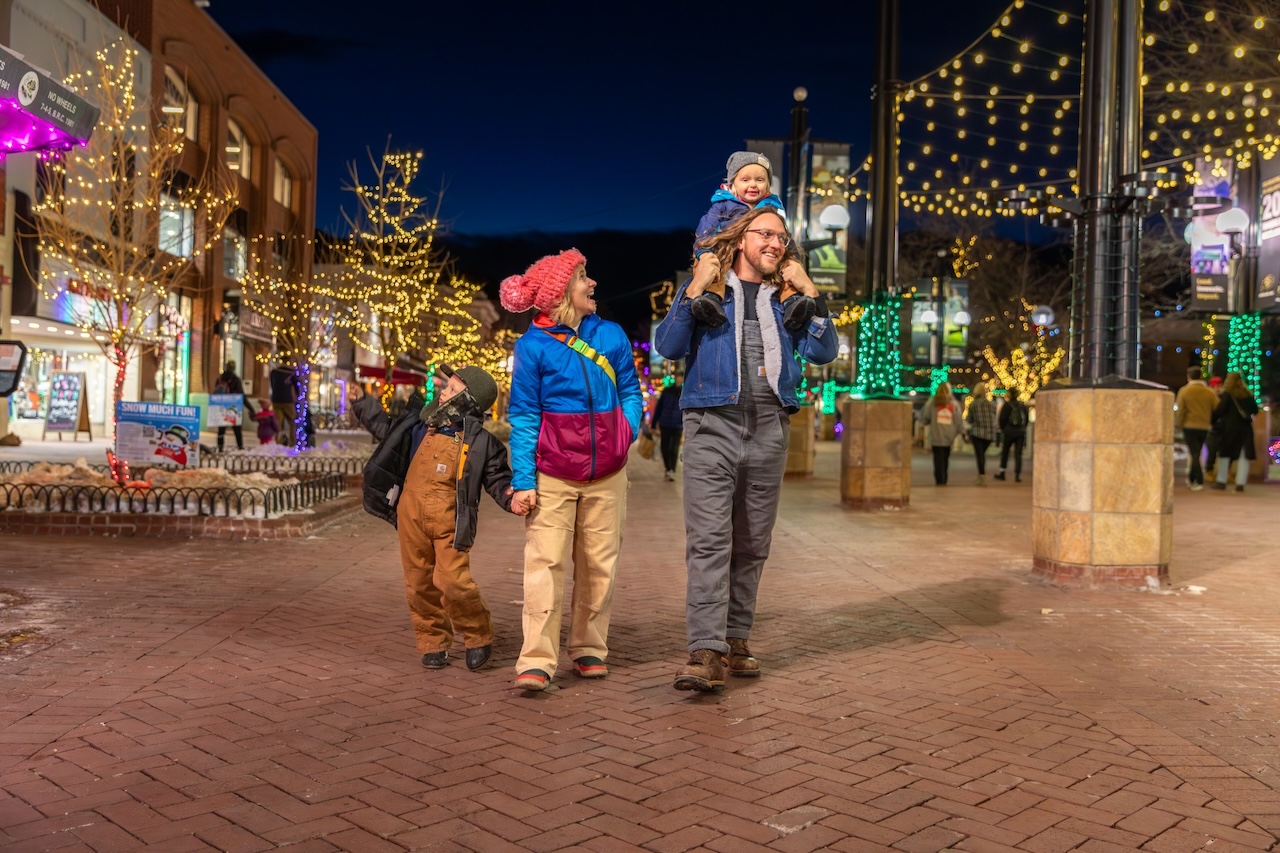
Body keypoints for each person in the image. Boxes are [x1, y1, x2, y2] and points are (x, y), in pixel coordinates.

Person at [653, 206, 838, 692]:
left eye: (782, 238)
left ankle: (735, 639)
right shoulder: (712, 291)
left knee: (753, 543)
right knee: (709, 540)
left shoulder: (788, 299)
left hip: (769, 427)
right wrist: (694, 286)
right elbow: (668, 346)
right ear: (740, 239)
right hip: (711, 423)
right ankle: (705, 650)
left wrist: (812, 291)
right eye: (766, 234)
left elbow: (824, 352)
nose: (776, 243)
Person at [500, 249, 644, 692]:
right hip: (554, 473)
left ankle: (588, 647)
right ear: (561, 292)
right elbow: (524, 416)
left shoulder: (611, 334)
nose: (592, 283)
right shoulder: (532, 346)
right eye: (583, 277)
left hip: (608, 473)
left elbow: (630, 390)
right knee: (545, 564)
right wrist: (523, 481)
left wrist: (625, 433)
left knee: (600, 564)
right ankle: (537, 659)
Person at [362, 365, 524, 672]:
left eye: (452, 389)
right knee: (418, 582)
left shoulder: (482, 443)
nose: (443, 393)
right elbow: (386, 431)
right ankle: (432, 641)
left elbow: (498, 478)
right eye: (446, 387)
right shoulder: (419, 425)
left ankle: (477, 634)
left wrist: (510, 496)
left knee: (453, 581)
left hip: (451, 520)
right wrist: (362, 404)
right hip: (411, 516)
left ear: (468, 401)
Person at [686, 152, 817, 333]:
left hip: (758, 255)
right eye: (745, 180)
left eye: (760, 180)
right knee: (716, 263)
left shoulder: (772, 207)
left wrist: (792, 257)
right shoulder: (724, 204)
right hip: (726, 249)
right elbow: (706, 227)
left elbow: (781, 234)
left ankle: (791, 301)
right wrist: (704, 252)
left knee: (788, 266)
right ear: (733, 183)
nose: (753, 184)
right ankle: (712, 298)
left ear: (768, 185)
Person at [1210, 371, 1259, 492]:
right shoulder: (1247, 394)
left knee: (1224, 454)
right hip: (1245, 429)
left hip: (1229, 429)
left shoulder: (1227, 394)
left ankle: (1221, 481)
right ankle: (1240, 483)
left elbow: (1220, 411)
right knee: (1243, 456)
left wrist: (1212, 421)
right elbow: (1255, 410)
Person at [1174, 365, 1219, 491]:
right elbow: (1217, 408)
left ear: (1189, 377)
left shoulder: (1184, 391)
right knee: (1196, 451)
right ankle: (1193, 479)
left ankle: (1196, 479)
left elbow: (1181, 410)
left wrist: (1180, 424)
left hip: (1189, 426)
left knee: (1194, 452)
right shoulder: (1209, 392)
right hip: (1204, 426)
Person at [918, 382, 965, 486]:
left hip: (936, 435)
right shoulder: (954, 404)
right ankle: (944, 478)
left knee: (937, 458)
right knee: (945, 457)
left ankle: (939, 479)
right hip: (949, 436)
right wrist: (961, 431)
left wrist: (925, 422)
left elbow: (925, 417)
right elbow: (958, 420)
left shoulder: (932, 402)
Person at [213, 360, 252, 451]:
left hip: (221, 406)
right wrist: (251, 409)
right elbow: (242, 396)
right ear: (234, 368)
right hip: (233, 406)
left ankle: (220, 447)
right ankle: (240, 446)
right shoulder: (236, 379)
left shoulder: (220, 379)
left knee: (221, 429)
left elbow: (215, 394)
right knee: (237, 428)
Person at [650, 377, 684, 481]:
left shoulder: (683, 392)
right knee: (664, 447)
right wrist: (654, 423)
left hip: (677, 425)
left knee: (674, 448)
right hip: (665, 423)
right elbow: (659, 408)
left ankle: (672, 470)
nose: (679, 379)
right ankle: (668, 468)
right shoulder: (667, 391)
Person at [965, 381, 997, 485]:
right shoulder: (992, 404)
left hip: (977, 433)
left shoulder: (974, 404)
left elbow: (969, 420)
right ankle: (982, 475)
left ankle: (982, 476)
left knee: (980, 455)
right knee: (982, 454)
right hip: (989, 434)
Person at [994, 393, 1029, 482]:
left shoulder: (1007, 405)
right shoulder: (1022, 405)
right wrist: (1023, 428)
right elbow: (1026, 419)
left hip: (1009, 431)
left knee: (1005, 452)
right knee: (1018, 453)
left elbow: (1002, 418)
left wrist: (1004, 428)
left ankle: (1002, 472)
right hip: (1020, 432)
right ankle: (1017, 474)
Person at [269, 363, 297, 447]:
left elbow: (272, 385)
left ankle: (278, 443)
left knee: (278, 423)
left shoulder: (274, 372)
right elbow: (297, 386)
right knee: (293, 422)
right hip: (288, 400)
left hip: (276, 400)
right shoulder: (291, 372)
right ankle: (293, 443)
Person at [1205, 374, 1224, 477]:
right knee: (1212, 451)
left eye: (1219, 386)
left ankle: (1220, 472)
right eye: (1215, 386)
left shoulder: (1224, 397)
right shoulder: (1208, 397)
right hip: (1211, 428)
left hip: (1222, 427)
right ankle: (1209, 470)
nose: (1217, 389)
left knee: (1222, 451)